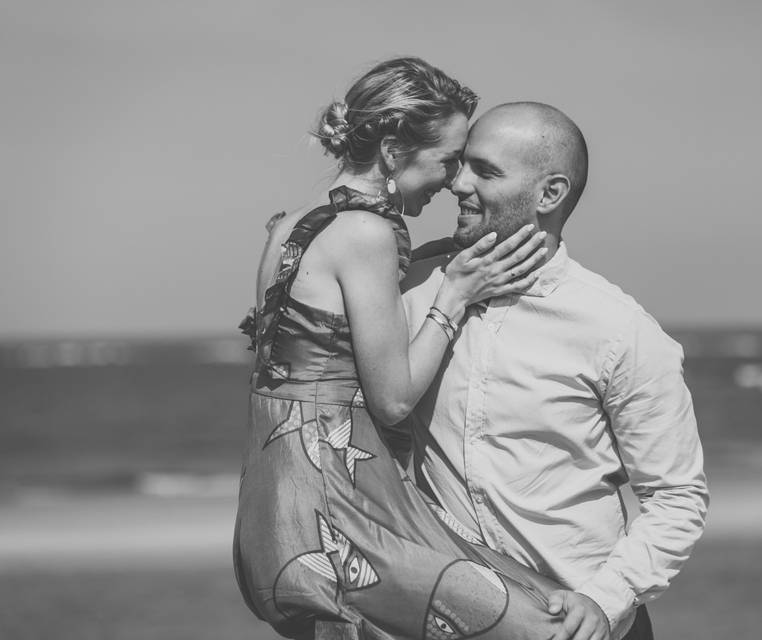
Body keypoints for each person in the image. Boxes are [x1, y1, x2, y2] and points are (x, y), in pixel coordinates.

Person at [232, 59, 583, 640]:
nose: (453, 181)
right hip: (336, 511)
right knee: (551, 621)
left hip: (272, 517)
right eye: (447, 160)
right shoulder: (368, 234)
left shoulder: (291, 225)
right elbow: (392, 400)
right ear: (395, 151)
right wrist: (457, 293)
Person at [400, 102, 709, 640]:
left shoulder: (620, 330)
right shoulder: (415, 285)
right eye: (462, 164)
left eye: (486, 171)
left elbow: (677, 496)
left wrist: (604, 599)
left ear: (550, 194)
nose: (458, 183)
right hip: (446, 616)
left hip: (575, 624)